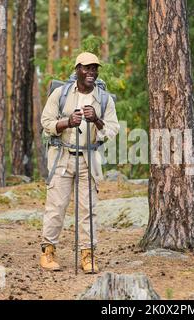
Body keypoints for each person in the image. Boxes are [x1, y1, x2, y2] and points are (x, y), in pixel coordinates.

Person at [40, 52, 120, 273]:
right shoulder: (60, 94)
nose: (91, 72)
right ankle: (48, 252)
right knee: (56, 206)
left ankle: (88, 255)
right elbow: (46, 121)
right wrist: (66, 122)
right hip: (62, 157)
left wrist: (97, 119)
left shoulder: (104, 99)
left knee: (88, 209)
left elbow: (113, 129)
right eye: (86, 68)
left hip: (89, 160)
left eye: (95, 68)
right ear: (77, 70)